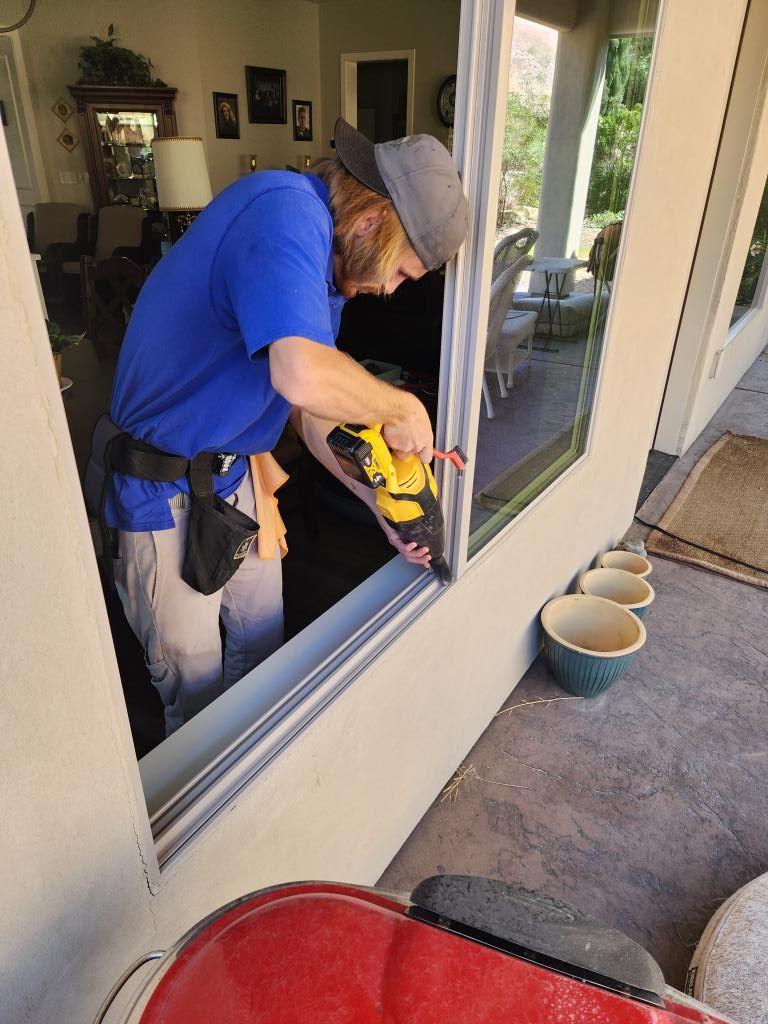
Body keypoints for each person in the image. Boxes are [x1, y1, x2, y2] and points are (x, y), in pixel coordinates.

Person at [98, 116, 468, 736]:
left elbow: (313, 409)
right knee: (195, 689)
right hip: (159, 488)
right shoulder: (284, 210)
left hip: (232, 483)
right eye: (400, 272)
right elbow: (301, 374)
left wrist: (378, 502)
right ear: (374, 220)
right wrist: (402, 407)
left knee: (262, 645)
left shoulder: (323, 267)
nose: (385, 289)